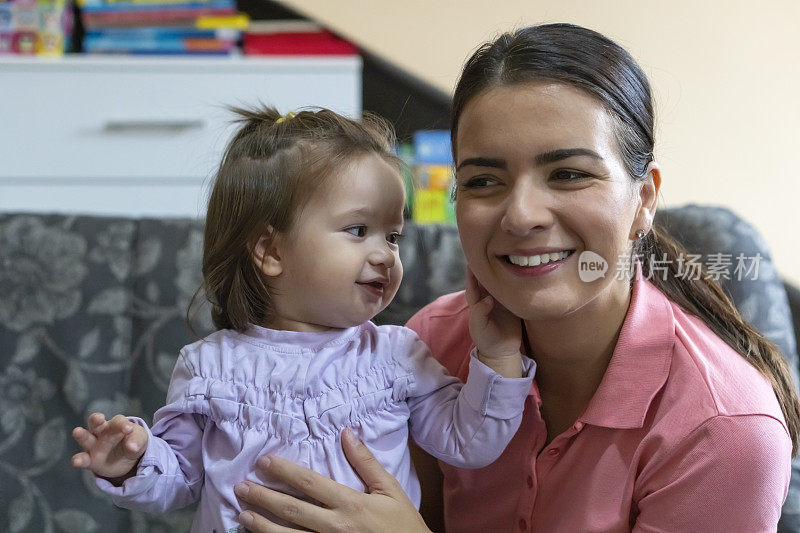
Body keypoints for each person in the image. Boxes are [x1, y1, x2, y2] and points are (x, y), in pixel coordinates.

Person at [231, 23, 800, 532]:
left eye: (570, 173)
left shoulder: (724, 430)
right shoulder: (433, 345)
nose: (521, 214)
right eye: (483, 181)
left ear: (644, 198)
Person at [68, 106, 536, 532]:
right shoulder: (210, 366)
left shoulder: (398, 355)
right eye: (358, 230)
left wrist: (496, 354)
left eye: (392, 235)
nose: (386, 255)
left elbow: (469, 442)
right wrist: (132, 461)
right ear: (271, 250)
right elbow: (180, 481)